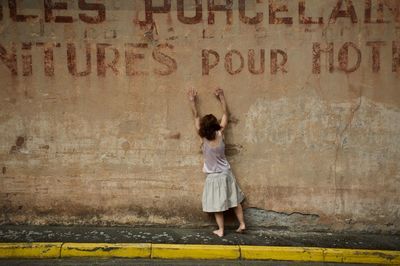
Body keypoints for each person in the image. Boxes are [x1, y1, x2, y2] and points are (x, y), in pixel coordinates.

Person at [188, 87, 246, 237]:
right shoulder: (220, 134)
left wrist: (192, 101)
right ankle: (242, 224)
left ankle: (221, 230)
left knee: (217, 205)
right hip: (226, 174)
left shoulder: (203, 139)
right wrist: (221, 97)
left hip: (213, 177)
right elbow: (226, 115)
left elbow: (195, 116)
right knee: (234, 201)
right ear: (215, 126)